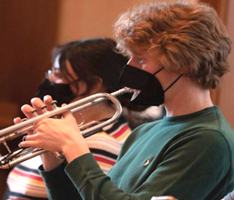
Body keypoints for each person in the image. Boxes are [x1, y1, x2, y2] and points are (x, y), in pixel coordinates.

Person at [16, 2, 234, 200]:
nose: (130, 67)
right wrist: (50, 155)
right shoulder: (143, 132)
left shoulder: (208, 139)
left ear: (183, 62)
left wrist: (72, 144)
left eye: (140, 59)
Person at [4, 38, 137, 200]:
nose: (50, 81)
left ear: (95, 84)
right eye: (51, 73)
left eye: (59, 75)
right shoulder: (68, 131)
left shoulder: (101, 141)